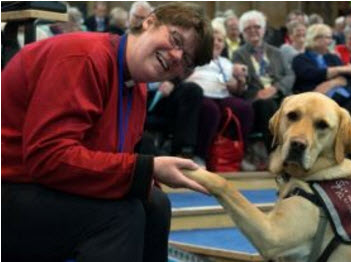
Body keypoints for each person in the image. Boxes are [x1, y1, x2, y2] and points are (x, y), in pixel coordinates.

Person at [1, 3, 213, 262]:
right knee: (122, 215)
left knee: (155, 203)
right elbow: (48, 157)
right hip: (12, 188)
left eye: (188, 61)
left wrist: (148, 175)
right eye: (175, 39)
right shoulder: (85, 57)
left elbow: (106, 157)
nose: (178, 57)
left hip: (39, 186)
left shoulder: (136, 86)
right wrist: (147, 169)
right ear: (148, 22)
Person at [292, 24, 351, 166]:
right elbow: (310, 75)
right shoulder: (301, 59)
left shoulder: (333, 58)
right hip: (316, 100)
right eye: (326, 37)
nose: (329, 40)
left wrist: (331, 83)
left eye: (329, 37)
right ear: (315, 39)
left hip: (342, 96)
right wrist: (341, 72)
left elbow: (347, 78)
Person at [185, 19, 254, 169]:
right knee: (211, 110)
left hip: (222, 96)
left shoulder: (226, 63)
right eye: (213, 39)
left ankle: (239, 154)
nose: (217, 43)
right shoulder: (195, 56)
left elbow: (238, 90)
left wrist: (239, 82)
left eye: (221, 40)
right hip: (200, 96)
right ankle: (200, 156)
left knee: (244, 108)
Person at [232, 10, 294, 152]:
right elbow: (240, 81)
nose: (253, 31)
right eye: (248, 28)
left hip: (280, 94)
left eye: (257, 27)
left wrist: (276, 88)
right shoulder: (238, 54)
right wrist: (254, 91)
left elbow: (290, 75)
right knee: (267, 104)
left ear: (264, 29)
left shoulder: (276, 52)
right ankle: (275, 151)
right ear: (242, 33)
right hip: (257, 99)